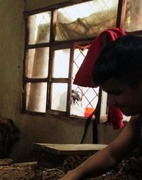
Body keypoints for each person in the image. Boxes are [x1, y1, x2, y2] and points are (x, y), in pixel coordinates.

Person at [61, 35, 142, 179]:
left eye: (116, 92)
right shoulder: (138, 121)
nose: (110, 103)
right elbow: (111, 154)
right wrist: (74, 174)